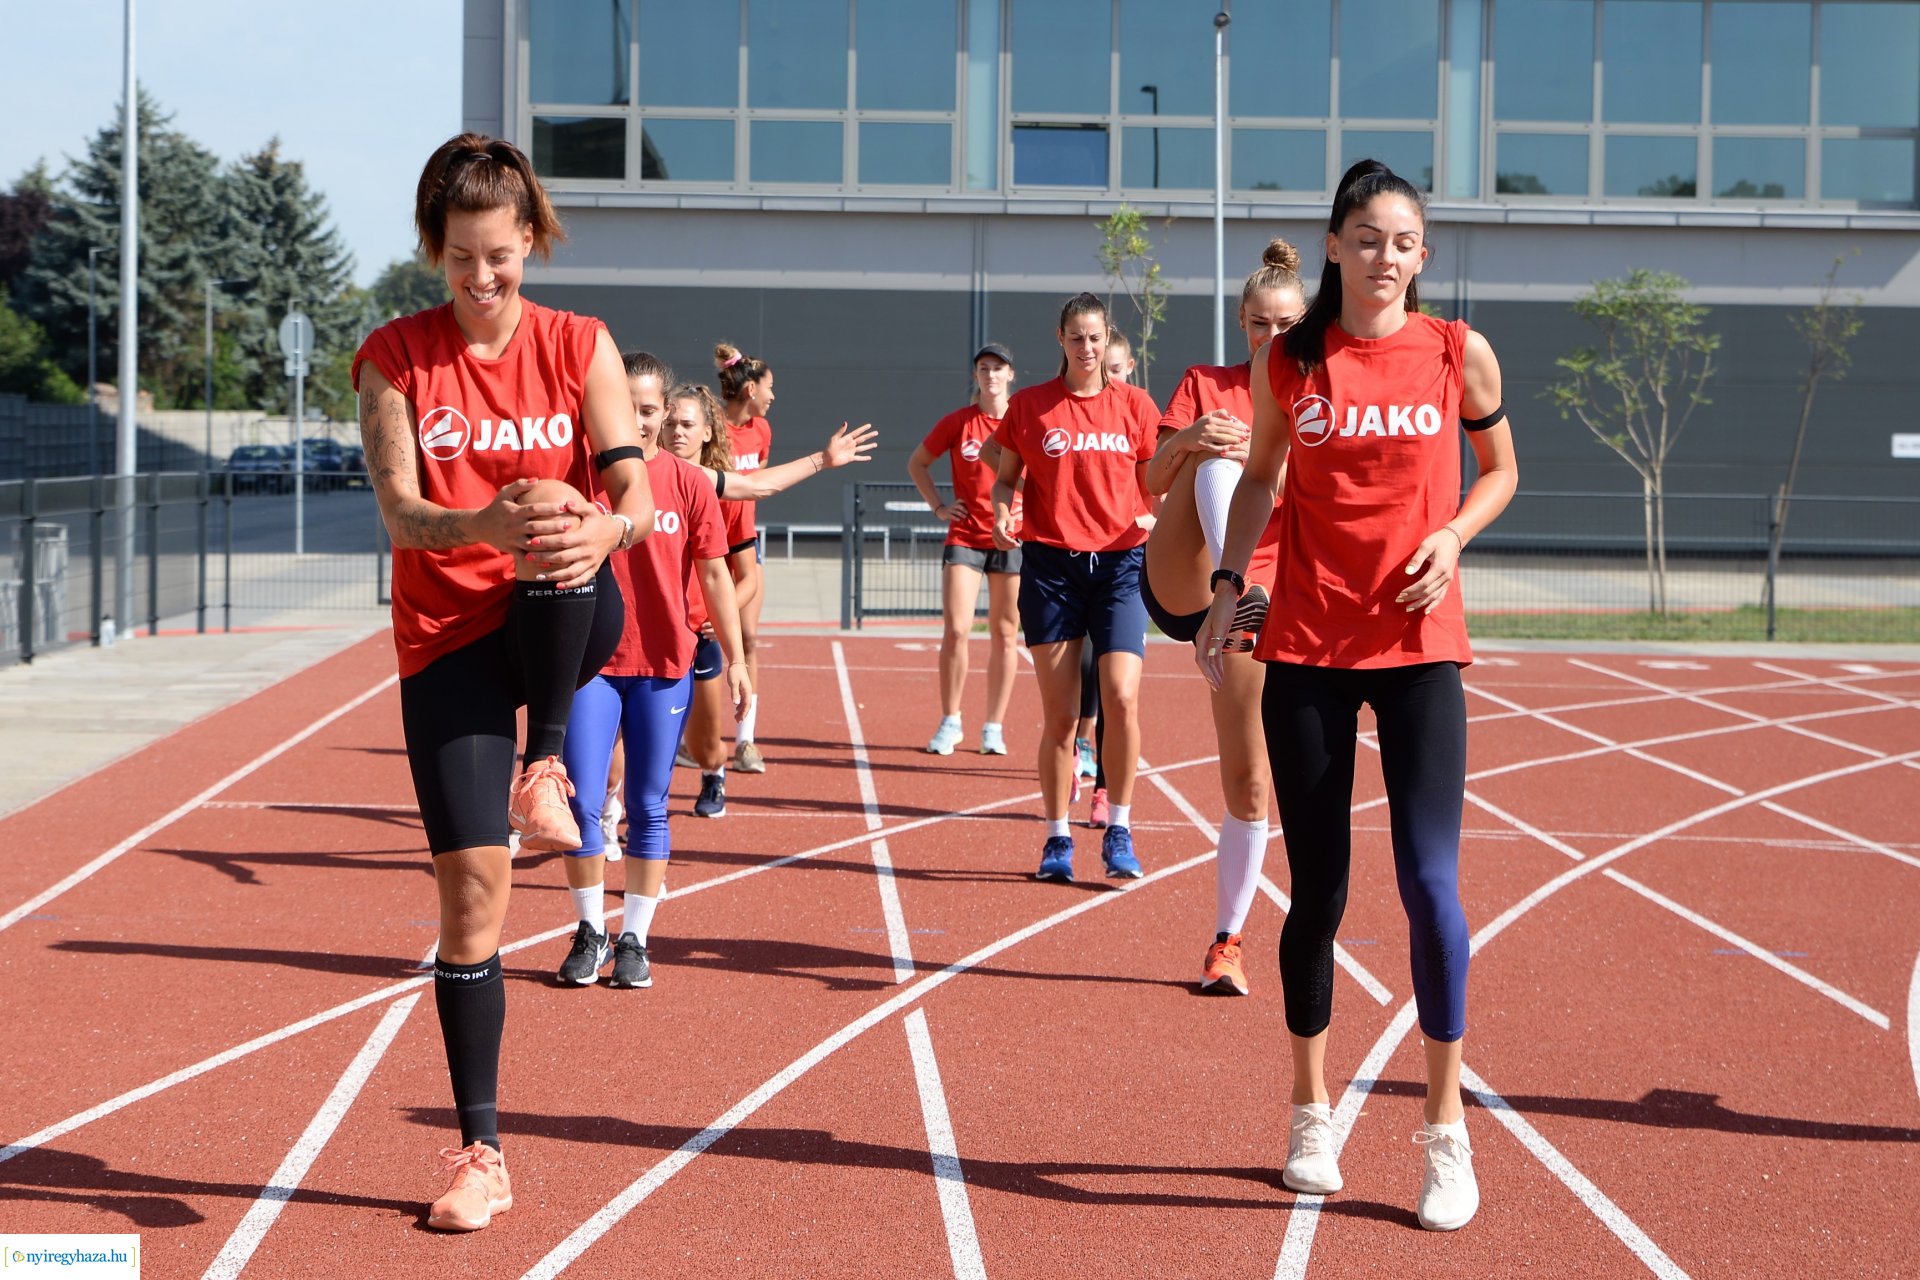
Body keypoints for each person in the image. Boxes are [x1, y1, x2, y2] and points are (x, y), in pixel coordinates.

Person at [1196, 160, 1518, 1232]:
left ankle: (1444, 1131)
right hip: (1310, 646)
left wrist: (1453, 533)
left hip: (1423, 643)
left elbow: (1502, 470)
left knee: (1431, 883)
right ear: (1335, 244)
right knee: (1319, 886)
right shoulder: (1292, 359)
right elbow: (1258, 480)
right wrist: (1228, 591)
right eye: (1370, 236)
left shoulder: (1454, 349)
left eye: (1407, 240)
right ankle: (1309, 1109)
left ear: (1424, 256)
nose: (1389, 255)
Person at [352, 132, 655, 1232]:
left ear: (531, 239)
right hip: (447, 634)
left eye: (502, 255)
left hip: (562, 604)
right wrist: (481, 517)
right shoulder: (394, 356)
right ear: (436, 253)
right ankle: (484, 1149)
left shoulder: (582, 344)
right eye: (463, 258)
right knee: (471, 899)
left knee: (562, 519)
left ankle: (548, 758)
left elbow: (637, 490)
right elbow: (400, 513)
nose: (484, 279)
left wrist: (598, 522)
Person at [1141, 238, 1307, 996]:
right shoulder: (1209, 382)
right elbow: (1149, 483)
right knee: (1214, 448)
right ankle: (1226, 591)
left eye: (1285, 325)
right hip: (1193, 579)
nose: (1271, 338)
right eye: (1257, 326)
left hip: (1281, 598)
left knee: (1251, 782)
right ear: (1242, 326)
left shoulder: (1332, 400)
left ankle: (1226, 943)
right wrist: (1187, 437)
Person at [991, 292, 1159, 883]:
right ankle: (1057, 837)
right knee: (1061, 717)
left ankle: (1119, 826)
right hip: (1052, 568)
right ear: (1059, 339)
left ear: (1108, 338)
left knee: (1120, 696)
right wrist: (1001, 510)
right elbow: (1005, 474)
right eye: (1075, 337)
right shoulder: (1033, 406)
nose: (1086, 348)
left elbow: (1153, 482)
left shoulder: (1136, 406)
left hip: (1119, 567)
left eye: (1095, 337)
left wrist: (1156, 516)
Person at [662, 382, 875, 818]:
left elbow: (759, 493)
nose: (674, 431)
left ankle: (712, 772)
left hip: (697, 629)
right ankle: (609, 817)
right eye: (668, 422)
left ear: (708, 432)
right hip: (651, 626)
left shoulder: (712, 487)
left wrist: (822, 459)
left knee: (703, 741)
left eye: (686, 423)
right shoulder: (635, 474)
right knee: (627, 740)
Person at [907, 342, 1021, 757]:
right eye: (984, 368)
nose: (990, 375)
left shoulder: (1025, 419)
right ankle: (951, 719)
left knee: (1005, 634)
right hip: (965, 536)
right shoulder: (959, 422)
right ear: (976, 376)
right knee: (956, 630)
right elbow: (918, 462)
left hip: (1011, 538)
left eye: (998, 368)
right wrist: (938, 505)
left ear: (1010, 375)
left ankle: (993, 726)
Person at [712, 342, 774, 773]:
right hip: (706, 546)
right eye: (770, 388)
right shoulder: (712, 428)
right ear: (750, 388)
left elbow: (759, 482)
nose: (774, 396)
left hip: (744, 542)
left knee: (747, 639)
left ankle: (745, 740)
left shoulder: (762, 430)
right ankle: (694, 733)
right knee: (699, 643)